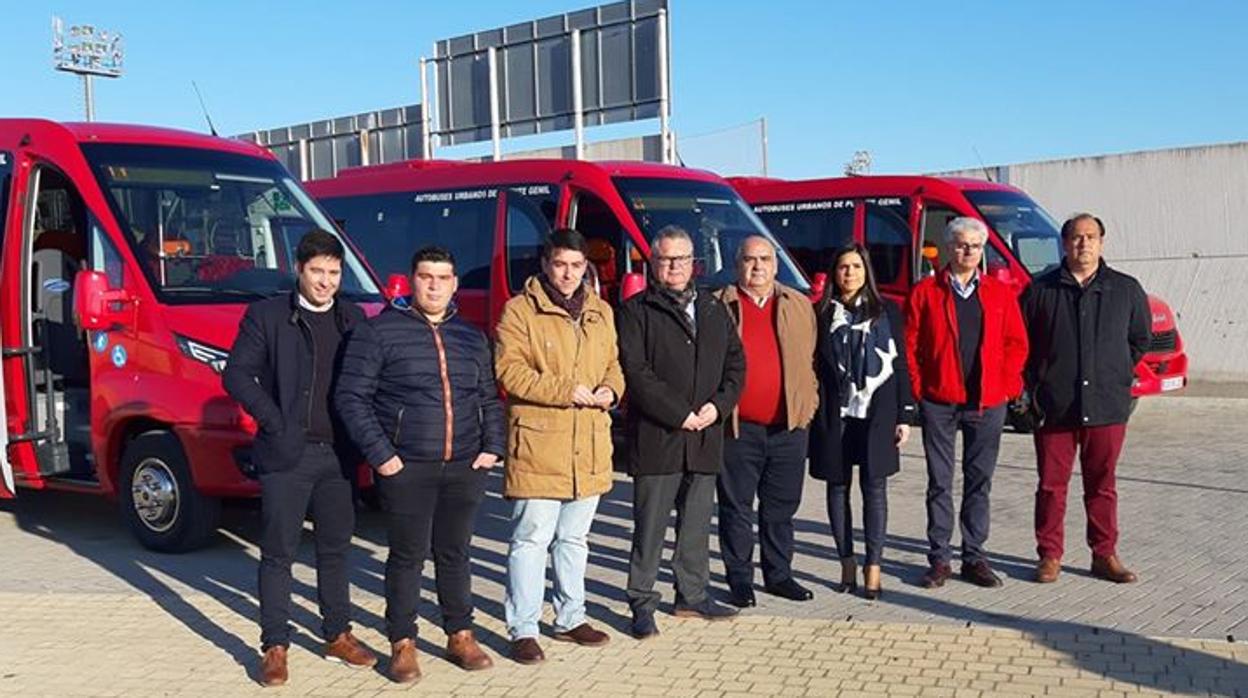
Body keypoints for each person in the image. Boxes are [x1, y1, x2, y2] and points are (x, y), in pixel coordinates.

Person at [335, 246, 504, 683]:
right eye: (426, 276)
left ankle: (460, 634)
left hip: (466, 463)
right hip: (406, 465)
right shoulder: (380, 332)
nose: (434, 285)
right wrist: (382, 455)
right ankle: (403, 642)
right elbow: (351, 397)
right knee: (407, 556)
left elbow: (488, 396)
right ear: (411, 280)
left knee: (455, 553)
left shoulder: (470, 336)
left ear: (454, 284)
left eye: (443, 277)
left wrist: (492, 447)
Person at [222, 229, 376, 687]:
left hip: (339, 457)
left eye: (333, 272)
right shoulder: (268, 316)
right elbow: (237, 375)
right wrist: (274, 421)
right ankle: (275, 645)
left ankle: (337, 633)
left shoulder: (353, 318)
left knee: (334, 550)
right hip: (287, 454)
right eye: (317, 272)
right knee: (279, 553)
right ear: (299, 269)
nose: (326, 282)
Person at [494, 229, 626, 664]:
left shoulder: (601, 311)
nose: (568, 274)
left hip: (588, 444)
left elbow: (613, 364)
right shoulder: (519, 311)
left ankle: (571, 616)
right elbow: (510, 372)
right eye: (559, 264)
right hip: (539, 445)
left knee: (574, 538)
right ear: (545, 265)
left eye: (576, 265)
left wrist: (612, 388)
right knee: (531, 539)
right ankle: (523, 627)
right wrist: (566, 390)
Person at [616, 225, 745, 639]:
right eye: (666, 258)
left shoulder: (712, 308)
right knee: (649, 527)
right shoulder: (636, 311)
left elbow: (735, 365)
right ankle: (641, 602)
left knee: (695, 524)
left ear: (695, 263)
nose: (674, 266)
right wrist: (678, 414)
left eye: (682, 259)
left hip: (705, 435)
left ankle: (692, 595)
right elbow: (636, 372)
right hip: (659, 437)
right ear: (652, 262)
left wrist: (717, 407)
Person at [1020, 213, 1151, 585]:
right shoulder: (1040, 290)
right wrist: (1035, 385)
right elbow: (1022, 345)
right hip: (1055, 407)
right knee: (1050, 485)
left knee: (1102, 484)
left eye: (1091, 237)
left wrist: (1117, 370)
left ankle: (1104, 554)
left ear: (1102, 242)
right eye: (1076, 238)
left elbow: (1139, 339)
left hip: (1108, 406)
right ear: (1064, 244)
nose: (1084, 244)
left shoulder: (1125, 289)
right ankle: (1049, 555)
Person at [905, 217, 1028, 589]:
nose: (968, 251)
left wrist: (1006, 387)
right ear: (948, 247)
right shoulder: (925, 292)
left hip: (987, 402)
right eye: (961, 244)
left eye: (975, 246)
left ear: (983, 249)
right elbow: (910, 346)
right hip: (940, 401)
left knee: (979, 481)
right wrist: (920, 389)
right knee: (940, 483)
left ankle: (974, 557)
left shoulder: (999, 293)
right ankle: (939, 559)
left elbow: (1016, 344)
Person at [713, 235, 820, 607]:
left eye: (764, 259)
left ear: (776, 265)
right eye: (749, 259)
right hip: (738, 429)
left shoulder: (798, 305)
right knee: (736, 508)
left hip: (788, 428)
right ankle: (739, 579)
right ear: (736, 264)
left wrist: (809, 403)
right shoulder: (718, 305)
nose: (757, 267)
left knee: (780, 509)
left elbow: (811, 359)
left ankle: (778, 574)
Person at [809, 244, 913, 599]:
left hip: (876, 413)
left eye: (855, 266)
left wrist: (905, 414)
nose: (849, 273)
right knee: (837, 489)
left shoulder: (887, 312)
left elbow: (899, 364)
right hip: (835, 415)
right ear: (834, 273)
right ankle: (846, 563)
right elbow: (812, 368)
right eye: (842, 267)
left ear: (866, 270)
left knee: (875, 489)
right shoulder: (820, 313)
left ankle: (874, 566)